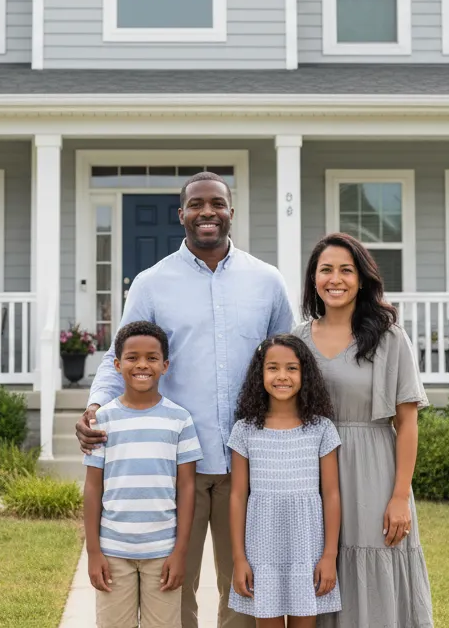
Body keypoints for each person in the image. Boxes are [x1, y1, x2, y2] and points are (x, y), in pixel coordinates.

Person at [77, 171, 294, 628]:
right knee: (175, 589)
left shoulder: (267, 281)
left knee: (244, 588)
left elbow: (290, 363)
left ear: (231, 212)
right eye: (196, 205)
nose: (207, 212)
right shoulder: (153, 284)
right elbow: (122, 355)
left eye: (217, 203)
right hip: (180, 470)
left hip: (248, 463)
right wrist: (96, 407)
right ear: (182, 215)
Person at [293, 232, 434, 628]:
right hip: (312, 471)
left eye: (345, 270)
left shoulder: (389, 338)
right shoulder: (297, 339)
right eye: (326, 270)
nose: (335, 279)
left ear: (361, 279)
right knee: (323, 563)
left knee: (373, 560)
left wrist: (400, 496)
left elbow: (406, 421)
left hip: (373, 468)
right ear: (313, 279)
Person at [83, 320, 202, 628]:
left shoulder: (179, 420)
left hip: (163, 553)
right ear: (117, 364)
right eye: (133, 357)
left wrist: (180, 552)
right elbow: (93, 488)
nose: (142, 365)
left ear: (165, 365)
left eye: (151, 358)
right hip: (113, 553)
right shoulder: (103, 420)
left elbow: (187, 488)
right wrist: (94, 552)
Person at [228, 334, 342, 628]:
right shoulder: (244, 430)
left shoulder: (321, 428)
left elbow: (331, 494)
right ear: (259, 374)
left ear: (305, 374)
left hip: (307, 549)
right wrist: (239, 559)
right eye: (273, 368)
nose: (282, 376)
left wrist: (329, 556)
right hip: (261, 551)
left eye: (292, 368)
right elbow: (238, 496)